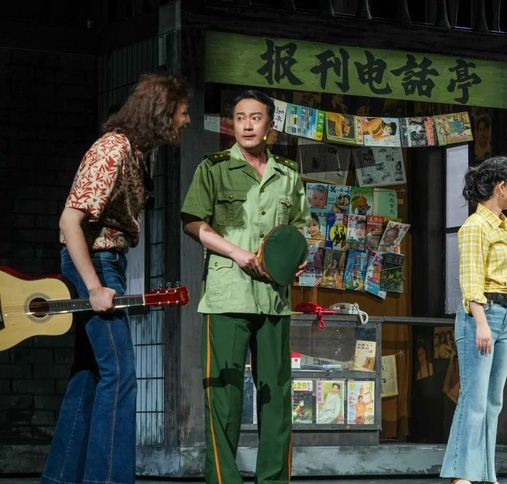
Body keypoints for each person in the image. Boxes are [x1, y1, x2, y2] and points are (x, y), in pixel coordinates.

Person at [40, 71, 191, 484]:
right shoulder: (113, 149)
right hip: (94, 264)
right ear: (162, 111)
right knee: (121, 373)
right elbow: (69, 221)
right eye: (182, 111)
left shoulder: (139, 153)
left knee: (89, 373)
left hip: (108, 262)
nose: (186, 120)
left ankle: (59, 478)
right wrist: (94, 286)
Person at [180, 89, 311, 484]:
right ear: (232, 125)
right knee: (224, 393)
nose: (247, 125)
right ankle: (224, 480)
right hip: (227, 295)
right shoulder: (214, 168)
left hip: (273, 297)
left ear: (269, 125)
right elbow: (193, 221)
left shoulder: (288, 174)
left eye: (255, 118)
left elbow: (299, 228)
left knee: (276, 395)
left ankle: (274, 480)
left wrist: (299, 256)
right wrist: (235, 252)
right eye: (239, 118)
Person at [440, 155, 507, 484]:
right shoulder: (475, 226)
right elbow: (471, 280)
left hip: (505, 314)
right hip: (482, 314)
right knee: (473, 399)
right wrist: (481, 323)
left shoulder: (505, 225)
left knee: (493, 401)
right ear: (501, 187)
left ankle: (486, 473)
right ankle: (461, 474)